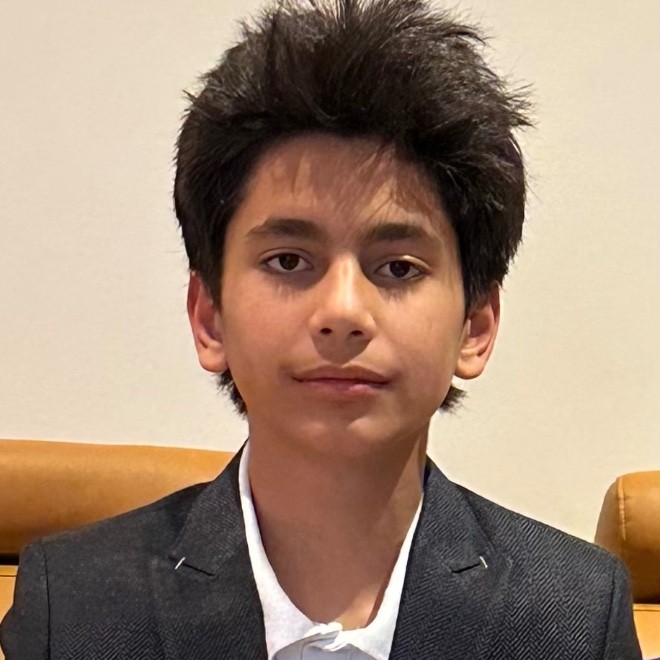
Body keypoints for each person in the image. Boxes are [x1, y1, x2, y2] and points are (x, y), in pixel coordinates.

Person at [0, 0, 641, 658]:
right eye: (288, 261)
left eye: (397, 267)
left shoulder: (572, 616)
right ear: (209, 315)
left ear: (475, 326)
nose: (342, 311)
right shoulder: (73, 608)